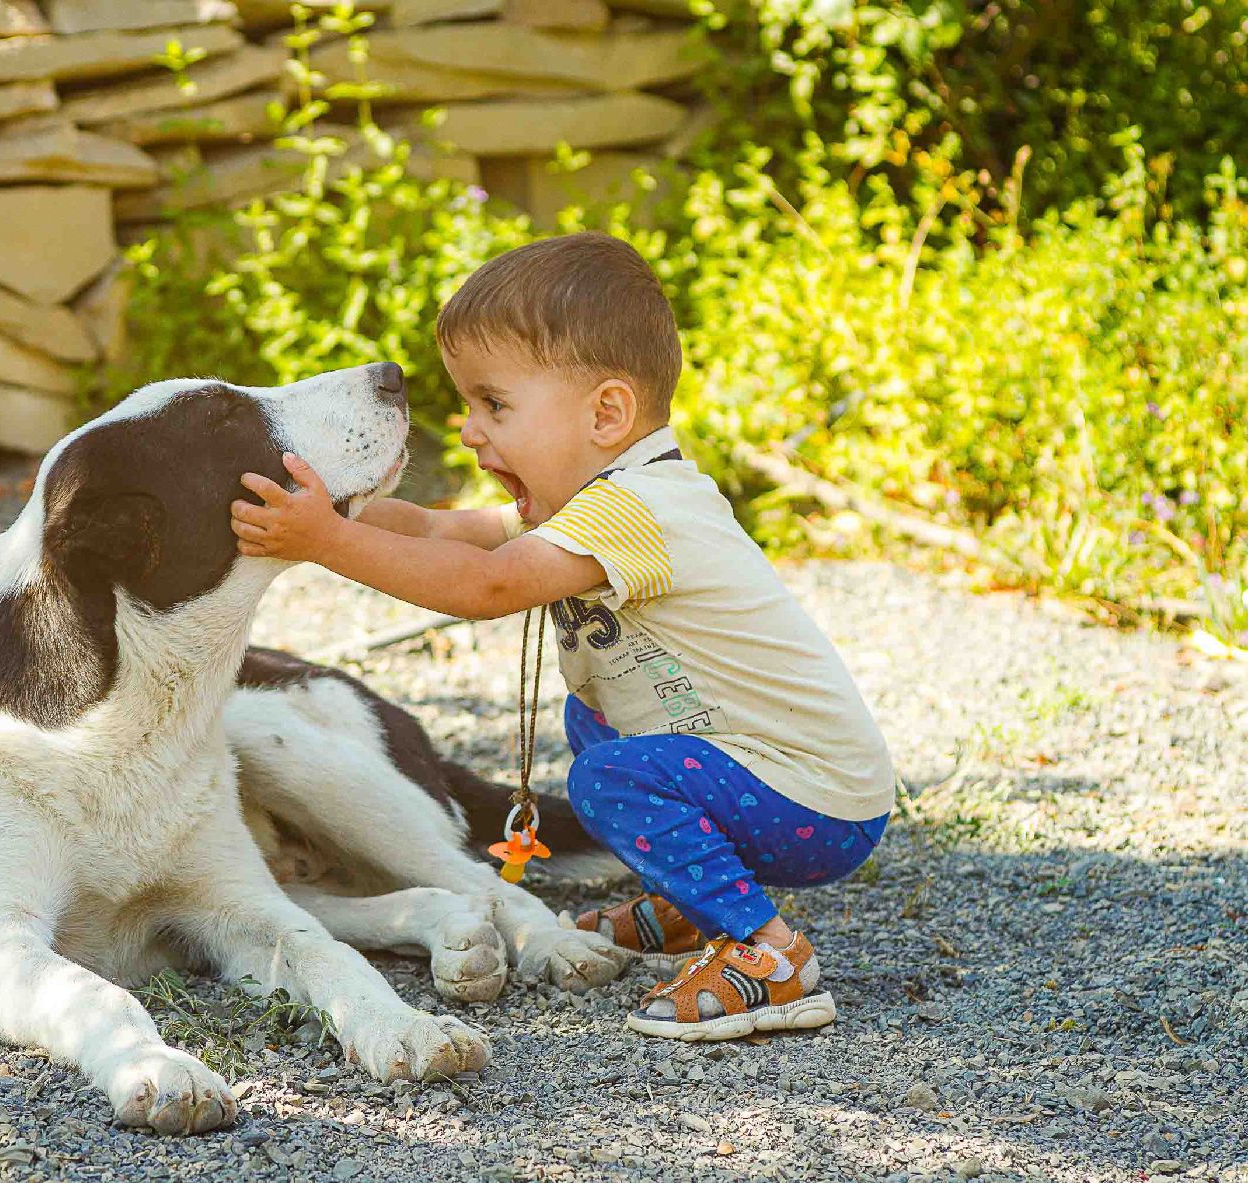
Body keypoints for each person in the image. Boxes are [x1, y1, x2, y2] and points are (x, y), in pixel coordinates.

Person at [229, 231, 894, 1041]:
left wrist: (325, 544)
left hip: (815, 801)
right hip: (772, 775)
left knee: (611, 776)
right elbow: (449, 533)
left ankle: (768, 956)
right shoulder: (595, 500)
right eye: (469, 406)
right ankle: (691, 900)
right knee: (598, 720)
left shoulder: (637, 508)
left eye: (494, 404)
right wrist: (336, 508)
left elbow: (486, 585)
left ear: (606, 412)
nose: (470, 432)